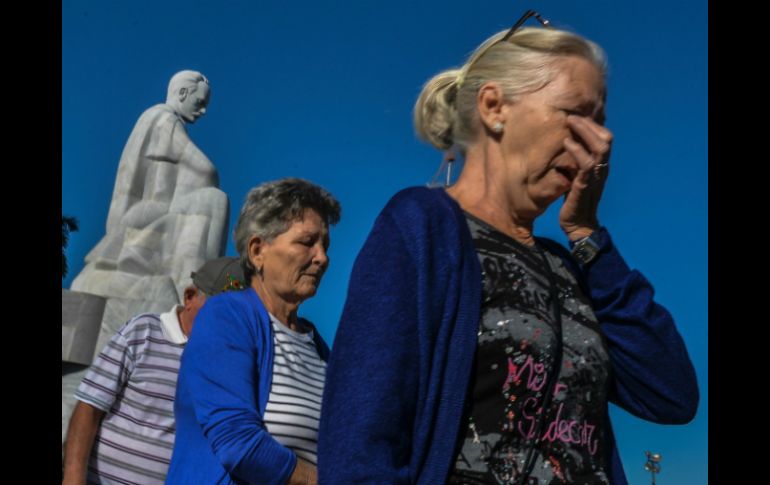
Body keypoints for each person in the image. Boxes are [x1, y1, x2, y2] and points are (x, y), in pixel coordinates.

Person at [318, 13, 698, 485]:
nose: (601, 141)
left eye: (600, 121)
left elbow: (671, 394)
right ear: (494, 107)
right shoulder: (424, 227)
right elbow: (360, 442)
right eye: (577, 114)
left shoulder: (567, 265)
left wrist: (587, 235)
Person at [167, 178, 341, 485]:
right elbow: (238, 443)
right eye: (307, 242)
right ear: (258, 250)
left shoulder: (318, 348)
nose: (322, 257)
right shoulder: (226, 317)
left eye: (324, 245)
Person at [62, 257, 246, 484]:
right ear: (190, 297)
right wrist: (73, 478)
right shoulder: (143, 331)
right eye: (219, 310)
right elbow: (89, 408)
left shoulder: (232, 362)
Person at [71, 69, 229, 303]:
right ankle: (198, 287)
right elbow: (206, 171)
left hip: (144, 214)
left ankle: (195, 284)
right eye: (200, 102)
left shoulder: (154, 118)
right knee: (215, 200)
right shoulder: (164, 119)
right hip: (147, 214)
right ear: (182, 93)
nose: (203, 111)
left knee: (209, 200)